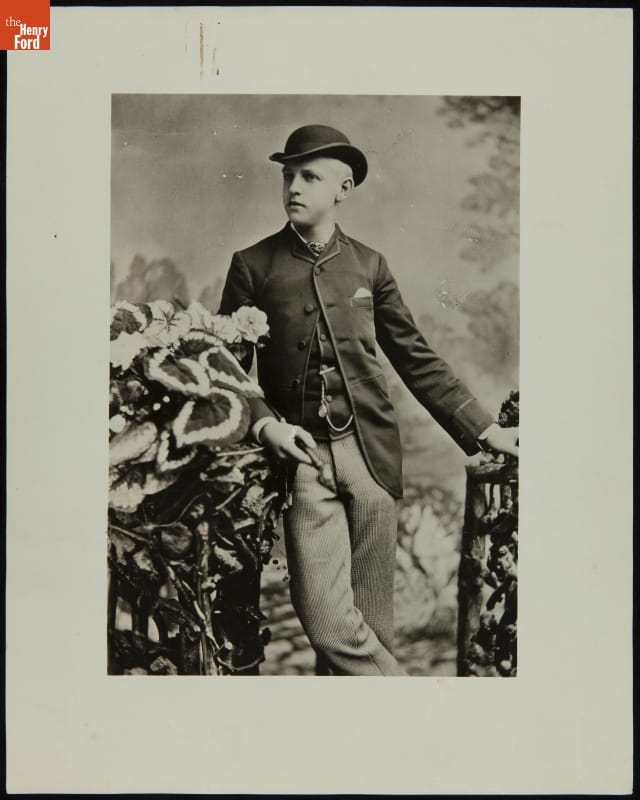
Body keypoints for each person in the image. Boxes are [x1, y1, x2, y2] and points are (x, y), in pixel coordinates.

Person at [219, 124, 518, 676]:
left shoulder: (370, 265)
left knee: (372, 630)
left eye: (310, 176)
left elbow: (415, 356)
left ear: (344, 188)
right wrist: (266, 427)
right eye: (288, 176)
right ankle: (417, 709)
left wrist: (484, 429)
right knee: (331, 626)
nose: (294, 187)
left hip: (372, 457)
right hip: (302, 460)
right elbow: (227, 373)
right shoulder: (253, 265)